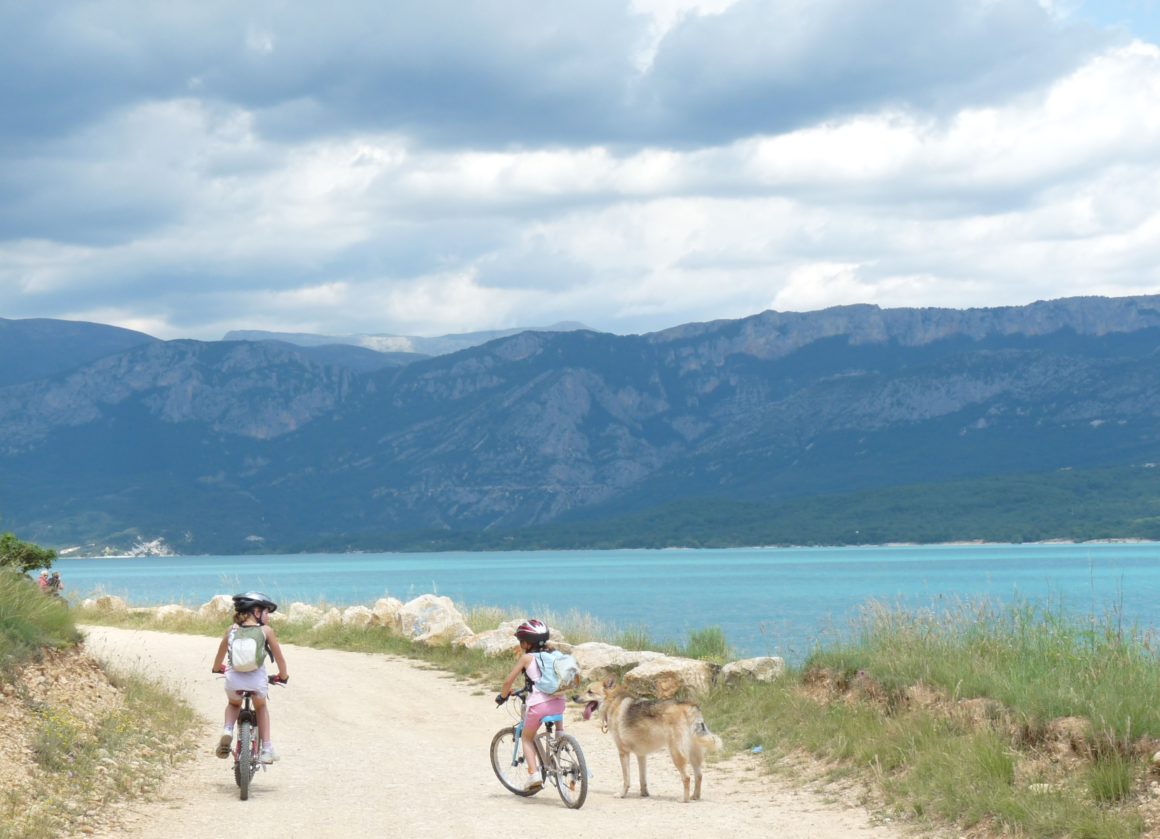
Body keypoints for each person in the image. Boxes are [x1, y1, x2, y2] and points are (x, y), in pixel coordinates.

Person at [210, 592, 289, 764]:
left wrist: (217, 668)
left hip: (234, 681)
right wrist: (283, 676)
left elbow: (219, 654)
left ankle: (228, 730)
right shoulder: (266, 631)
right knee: (261, 707)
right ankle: (267, 748)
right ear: (256, 611)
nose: (267, 616)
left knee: (233, 704)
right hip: (256, 681)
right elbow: (280, 658)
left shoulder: (231, 630)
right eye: (266, 612)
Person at [495, 619, 563, 793]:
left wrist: (502, 696)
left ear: (526, 643)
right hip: (560, 703)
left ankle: (534, 775)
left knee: (526, 738)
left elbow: (507, 681)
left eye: (521, 641)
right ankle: (562, 748)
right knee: (557, 731)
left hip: (539, 706)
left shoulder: (527, 658)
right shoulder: (554, 654)